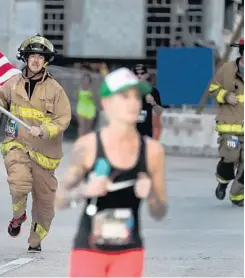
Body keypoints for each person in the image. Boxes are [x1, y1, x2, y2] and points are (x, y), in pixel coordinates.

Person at [55, 67, 168, 277]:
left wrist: (151, 194)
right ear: (107, 103)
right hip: (88, 248)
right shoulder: (87, 146)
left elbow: (160, 212)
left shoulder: (153, 152)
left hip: (129, 251)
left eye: (136, 96)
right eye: (124, 96)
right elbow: (59, 200)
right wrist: (84, 191)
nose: (133, 103)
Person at [0, 34, 72, 252]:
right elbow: (0, 99)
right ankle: (18, 217)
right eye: (32, 55)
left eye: (40, 56)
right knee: (19, 183)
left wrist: (44, 130)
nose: (35, 60)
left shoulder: (55, 89)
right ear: (25, 58)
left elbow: (63, 118)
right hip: (16, 144)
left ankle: (35, 240)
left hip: (44, 154)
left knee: (45, 209)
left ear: (46, 61)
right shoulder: (13, 83)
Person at [210, 38, 244, 207]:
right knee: (231, 156)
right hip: (230, 127)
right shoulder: (227, 69)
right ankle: (223, 182)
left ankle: (237, 196)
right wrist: (224, 96)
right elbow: (212, 88)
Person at [132, 64, 163, 138]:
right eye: (136, 74)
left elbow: (159, 112)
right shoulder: (128, 91)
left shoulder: (153, 91)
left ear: (146, 75)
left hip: (146, 131)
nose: (139, 76)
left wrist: (153, 103)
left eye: (142, 73)